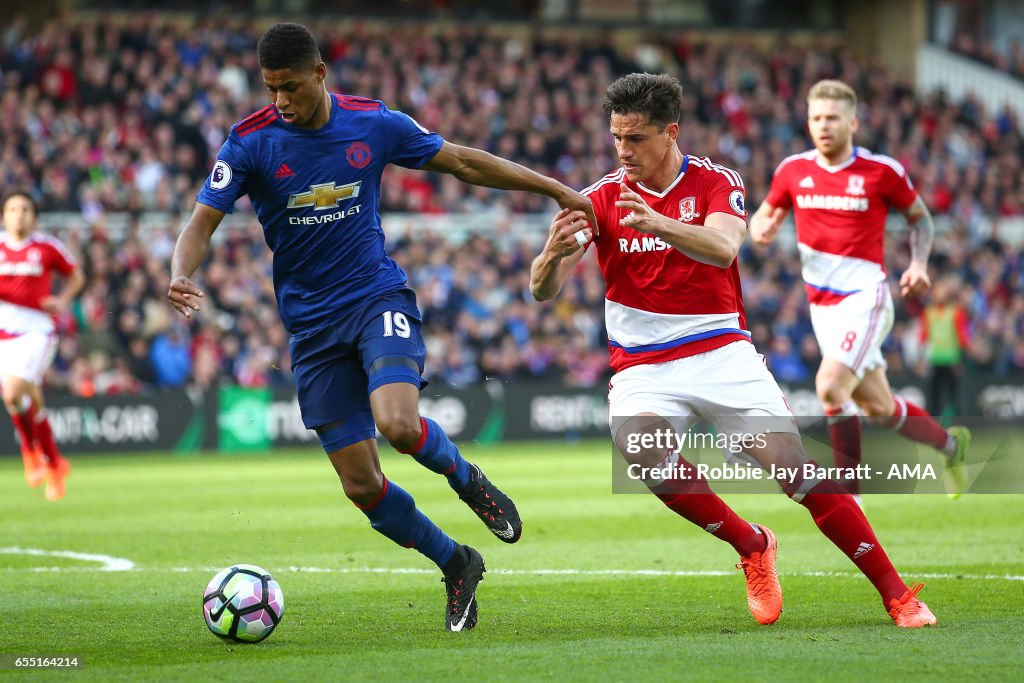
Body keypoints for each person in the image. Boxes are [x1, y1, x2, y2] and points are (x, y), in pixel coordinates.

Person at [167, 23, 597, 632]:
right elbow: (200, 223)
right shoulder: (249, 141)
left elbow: (464, 163)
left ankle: (467, 479)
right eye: (271, 89)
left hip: (374, 297)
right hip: (312, 330)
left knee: (398, 423)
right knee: (362, 487)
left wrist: (555, 189)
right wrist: (180, 271)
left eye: (290, 87)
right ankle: (456, 563)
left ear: (319, 73)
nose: (281, 101)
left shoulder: (374, 123)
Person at [530, 73, 936, 628]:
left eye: (637, 138)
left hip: (720, 352)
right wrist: (550, 257)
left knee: (796, 472)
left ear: (671, 132)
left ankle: (897, 595)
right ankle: (752, 546)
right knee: (641, 453)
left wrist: (659, 223)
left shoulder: (716, 182)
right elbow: (541, 290)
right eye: (617, 138)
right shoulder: (600, 198)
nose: (624, 151)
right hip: (643, 365)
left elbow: (723, 248)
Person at [750, 79, 969, 499]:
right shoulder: (793, 170)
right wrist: (762, 228)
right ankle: (953, 446)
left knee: (830, 385)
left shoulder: (881, 171)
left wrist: (919, 263)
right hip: (822, 306)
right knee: (880, 409)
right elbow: (765, 217)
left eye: (832, 118)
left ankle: (851, 500)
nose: (823, 126)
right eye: (816, 118)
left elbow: (920, 219)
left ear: (853, 121)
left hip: (866, 298)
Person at [0, 191, 85, 501]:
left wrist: (62, 301)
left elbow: (76, 276)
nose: (19, 215)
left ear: (34, 216)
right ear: (3, 216)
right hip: (3, 335)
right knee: (21, 399)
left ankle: (28, 450)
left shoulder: (47, 247)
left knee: (13, 392)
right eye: (12, 209)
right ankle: (54, 463)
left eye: (25, 209)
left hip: (38, 331)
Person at [919, 274, 969, 419]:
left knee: (953, 394)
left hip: (952, 360)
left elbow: (962, 337)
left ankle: (955, 422)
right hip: (934, 360)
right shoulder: (928, 312)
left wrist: (960, 359)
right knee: (935, 395)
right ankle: (936, 425)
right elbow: (924, 337)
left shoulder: (956, 311)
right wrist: (922, 359)